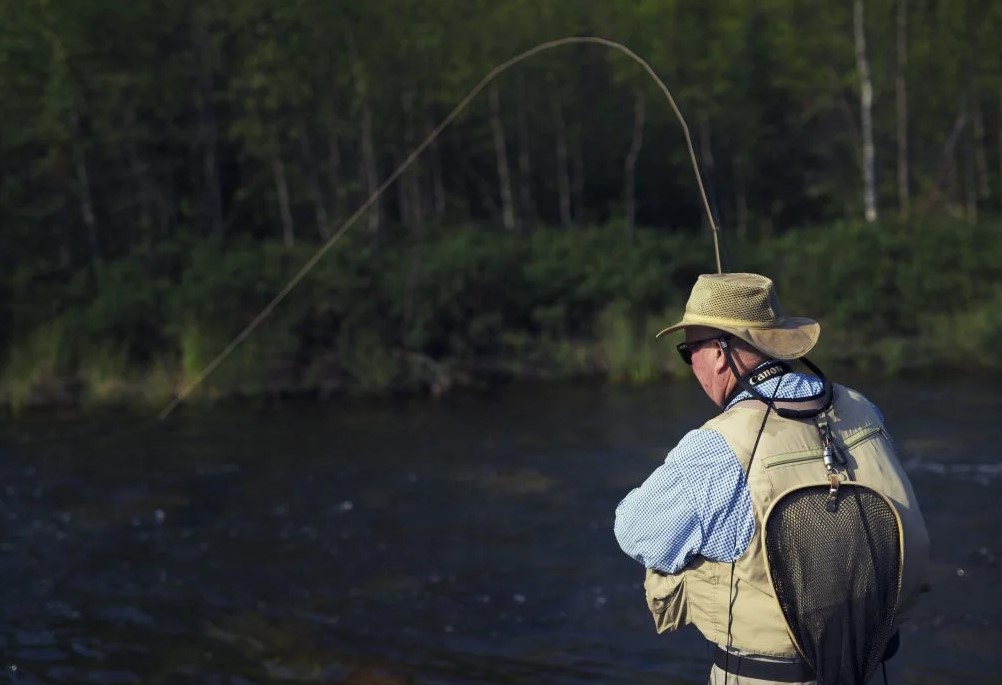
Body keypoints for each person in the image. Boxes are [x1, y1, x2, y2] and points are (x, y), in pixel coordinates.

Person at [614, 272, 929, 685]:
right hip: (879, 667)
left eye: (689, 350)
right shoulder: (861, 407)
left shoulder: (718, 446)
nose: (691, 363)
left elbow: (637, 532)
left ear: (719, 353)